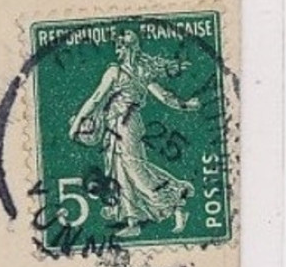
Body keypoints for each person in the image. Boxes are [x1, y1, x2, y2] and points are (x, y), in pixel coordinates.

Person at [66, 29, 203, 238]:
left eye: (120, 46)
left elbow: (95, 100)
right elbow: (164, 97)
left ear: (126, 48)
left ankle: (175, 201)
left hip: (125, 125)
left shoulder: (118, 72)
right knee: (121, 171)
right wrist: (185, 105)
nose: (118, 50)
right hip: (119, 125)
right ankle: (133, 221)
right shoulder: (140, 71)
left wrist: (76, 124)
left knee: (135, 170)